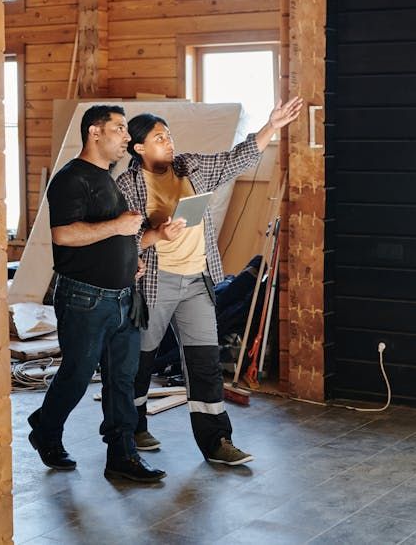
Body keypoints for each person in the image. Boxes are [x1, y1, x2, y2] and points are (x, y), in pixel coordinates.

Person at [116, 98, 304, 466]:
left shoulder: (192, 167)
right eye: (158, 138)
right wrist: (158, 232)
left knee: (203, 362)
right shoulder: (128, 184)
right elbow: (123, 238)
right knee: (141, 359)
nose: (168, 142)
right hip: (155, 283)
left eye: (168, 135)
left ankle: (217, 442)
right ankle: (132, 426)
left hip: (197, 281)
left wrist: (271, 126)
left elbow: (238, 157)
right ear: (138, 148)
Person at [26, 104, 165, 483]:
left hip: (123, 297)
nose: (126, 136)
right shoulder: (72, 179)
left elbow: (112, 237)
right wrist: (120, 226)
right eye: (119, 128)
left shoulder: (108, 178)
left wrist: (130, 261)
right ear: (94, 132)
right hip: (85, 299)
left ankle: (122, 455)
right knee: (76, 374)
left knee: (122, 378)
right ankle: (46, 430)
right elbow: (64, 234)